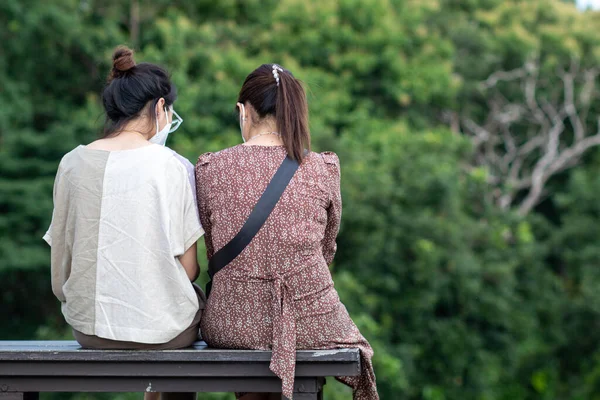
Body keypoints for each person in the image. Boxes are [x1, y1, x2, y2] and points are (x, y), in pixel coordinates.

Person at [195, 64, 379, 400]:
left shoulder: (211, 168)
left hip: (231, 320)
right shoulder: (322, 169)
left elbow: (213, 250)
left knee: (251, 332)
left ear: (243, 111)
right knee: (352, 347)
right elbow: (325, 252)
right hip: (308, 316)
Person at [43, 46, 204, 400]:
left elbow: (62, 261)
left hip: (89, 329)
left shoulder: (71, 163)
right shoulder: (173, 166)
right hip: (163, 334)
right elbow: (189, 270)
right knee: (191, 307)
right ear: (161, 108)